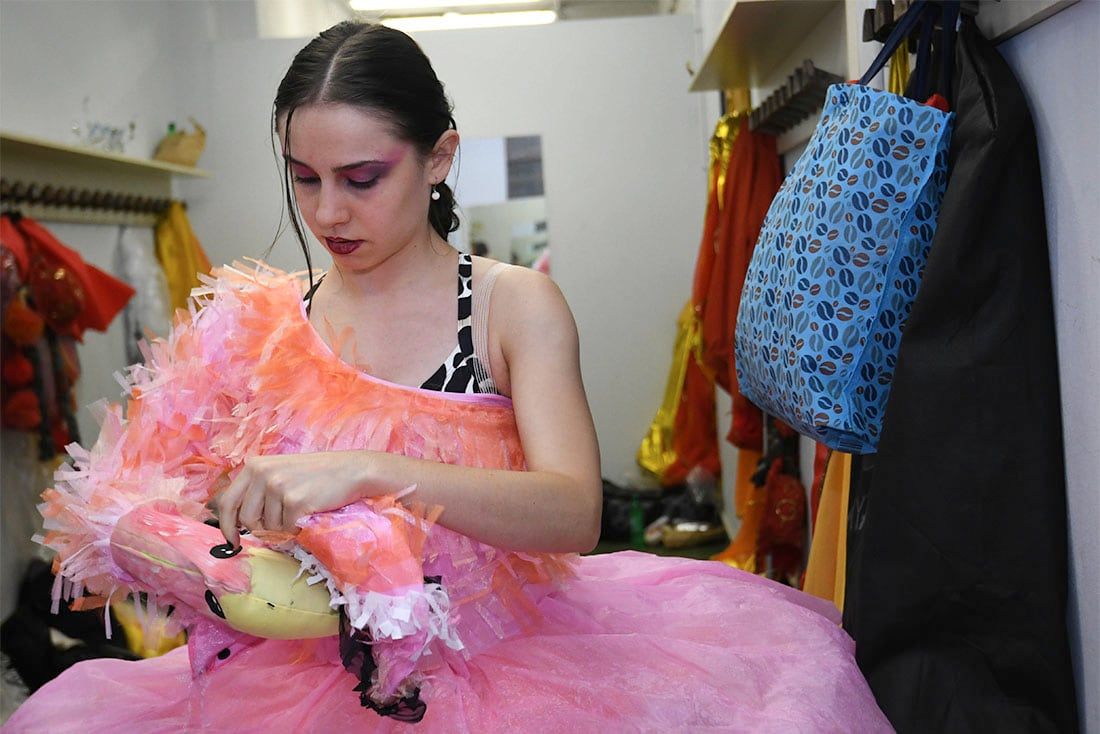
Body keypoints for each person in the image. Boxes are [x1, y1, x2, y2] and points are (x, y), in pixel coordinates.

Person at [4, 22, 891, 732]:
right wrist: (184, 538)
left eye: (361, 178)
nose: (326, 212)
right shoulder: (259, 323)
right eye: (303, 178)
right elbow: (133, 495)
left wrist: (366, 471)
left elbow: (573, 512)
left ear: (438, 157)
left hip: (504, 670)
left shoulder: (511, 308)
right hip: (285, 683)